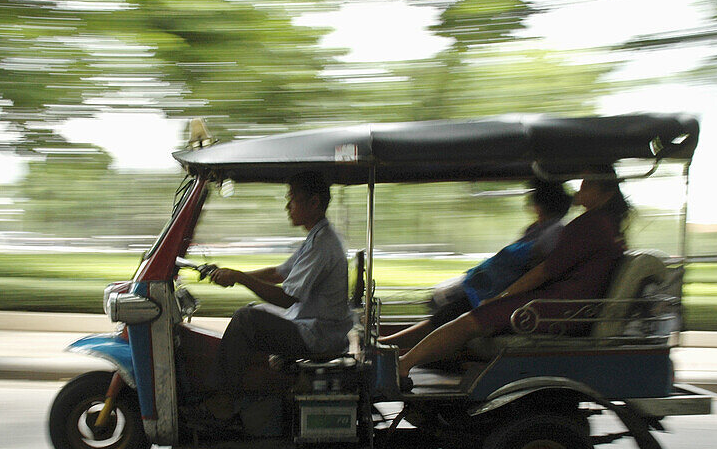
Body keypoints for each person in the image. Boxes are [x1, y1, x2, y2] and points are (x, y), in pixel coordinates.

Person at [398, 169, 631, 381]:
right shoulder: (604, 225)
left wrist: (502, 298)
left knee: (469, 320)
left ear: (607, 193)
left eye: (587, 185)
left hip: (556, 309)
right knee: (468, 315)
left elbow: (544, 272)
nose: (580, 190)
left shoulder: (591, 225)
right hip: (566, 306)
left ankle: (403, 365)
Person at [204, 171, 352, 418]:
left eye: (292, 199)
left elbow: (286, 298)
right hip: (314, 327)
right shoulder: (317, 237)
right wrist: (232, 274)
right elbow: (277, 272)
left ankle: (224, 399)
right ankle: (261, 387)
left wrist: (240, 277)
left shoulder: (322, 245)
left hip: (319, 335)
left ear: (314, 203)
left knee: (246, 319)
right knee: (254, 310)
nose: (287, 207)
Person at [381, 179, 572, 350]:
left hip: (503, 295)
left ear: (540, 206)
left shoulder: (553, 232)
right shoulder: (537, 229)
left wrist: (501, 296)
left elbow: (536, 269)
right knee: (444, 307)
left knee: (449, 314)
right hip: (490, 288)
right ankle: (390, 343)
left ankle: (389, 344)